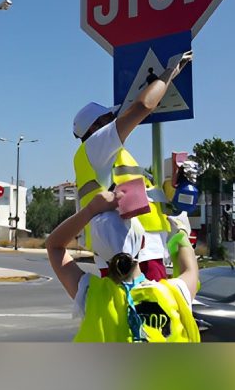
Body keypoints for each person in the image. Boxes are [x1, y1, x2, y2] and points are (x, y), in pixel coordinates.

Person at [73, 50, 193, 282]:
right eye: (110, 118)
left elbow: (145, 197)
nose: (115, 122)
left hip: (139, 250)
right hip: (134, 253)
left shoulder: (109, 157)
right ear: (94, 127)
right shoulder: (95, 146)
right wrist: (170, 72)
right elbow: (143, 106)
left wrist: (171, 187)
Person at [46, 190, 200, 342]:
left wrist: (90, 209)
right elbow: (189, 267)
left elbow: (54, 246)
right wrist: (180, 231)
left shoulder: (91, 295)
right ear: (142, 243)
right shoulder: (173, 294)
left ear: (97, 254)